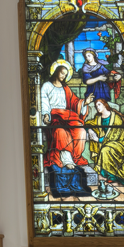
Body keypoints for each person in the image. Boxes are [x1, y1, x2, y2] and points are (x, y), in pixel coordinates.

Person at [41, 60, 94, 199]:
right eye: (62, 73)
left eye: (65, 74)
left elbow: (75, 102)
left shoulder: (66, 88)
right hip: (54, 118)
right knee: (60, 132)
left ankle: (74, 157)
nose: (63, 76)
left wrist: (85, 103)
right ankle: (66, 159)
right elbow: (43, 101)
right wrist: (45, 114)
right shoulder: (47, 86)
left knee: (80, 130)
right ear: (56, 71)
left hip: (68, 117)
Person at [85, 98, 124, 187]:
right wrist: (89, 130)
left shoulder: (116, 118)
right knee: (105, 149)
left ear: (105, 105)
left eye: (99, 105)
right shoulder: (98, 118)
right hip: (106, 144)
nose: (97, 107)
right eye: (96, 106)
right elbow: (88, 123)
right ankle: (108, 176)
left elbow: (115, 136)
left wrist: (98, 140)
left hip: (118, 144)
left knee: (105, 150)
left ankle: (113, 176)